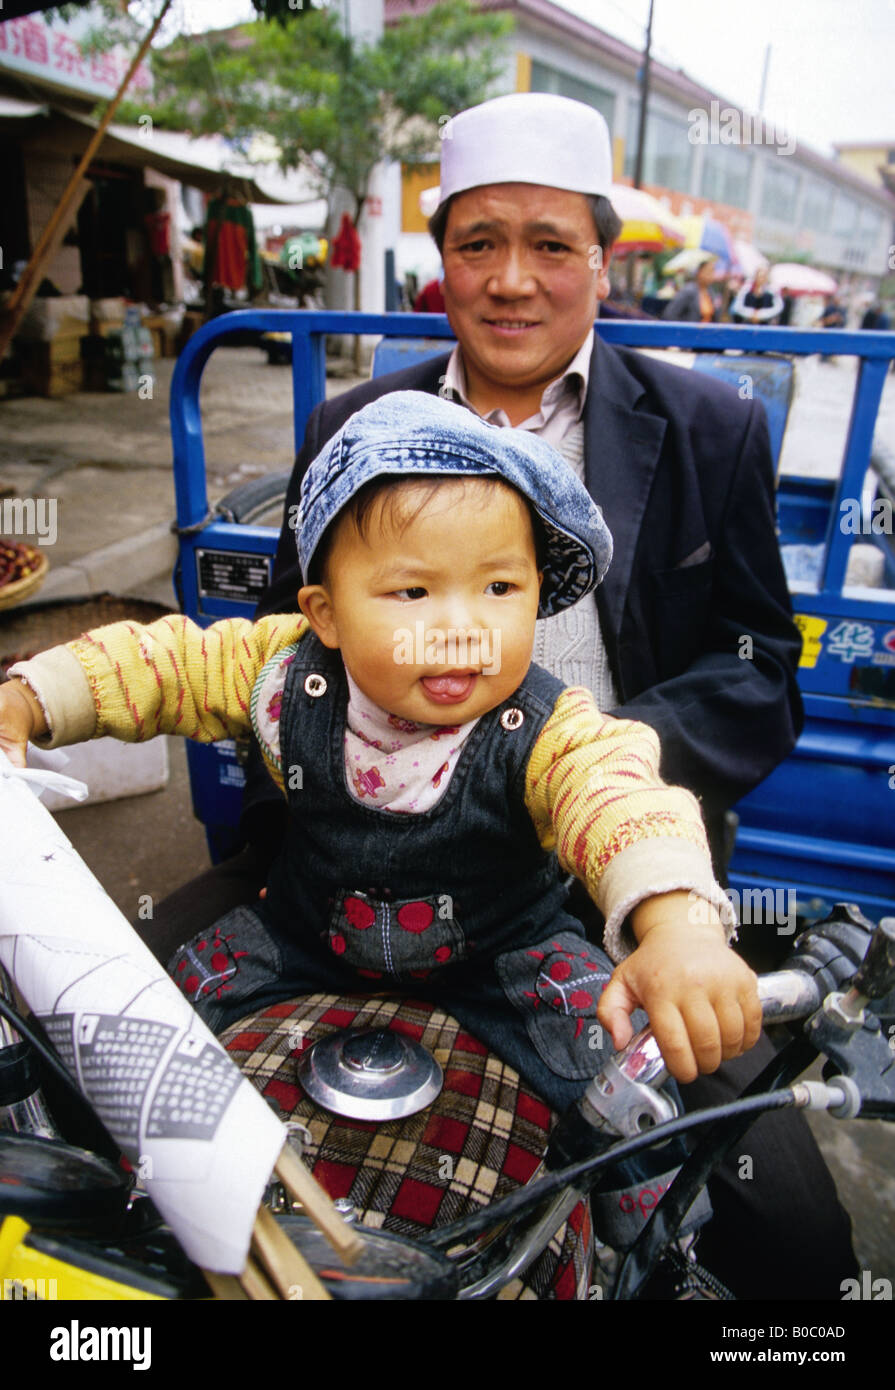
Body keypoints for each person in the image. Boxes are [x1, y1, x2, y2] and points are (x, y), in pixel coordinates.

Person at [118, 92, 854, 1298]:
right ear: (441, 263)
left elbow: (763, 667)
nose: (512, 280)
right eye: (478, 244)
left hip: (599, 879)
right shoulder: (356, 422)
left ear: (599, 264)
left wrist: (579, 764)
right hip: (347, 860)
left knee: (790, 1243)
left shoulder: (708, 425)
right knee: (98, 1032)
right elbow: (280, 644)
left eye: (550, 245)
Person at [2, 393, 758, 1117]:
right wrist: (28, 700)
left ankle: (649, 1233)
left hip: (505, 961)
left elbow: (623, 800)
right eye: (411, 592)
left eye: (498, 586)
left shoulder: (550, 728)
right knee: (139, 1038)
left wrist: (677, 929)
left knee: (623, 1089)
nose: (461, 627)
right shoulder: (277, 672)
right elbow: (159, 665)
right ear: (324, 615)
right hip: (304, 936)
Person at [661, 256, 719, 322]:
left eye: (713, 272)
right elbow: (669, 314)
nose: (712, 275)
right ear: (699, 272)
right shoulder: (688, 291)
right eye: (708, 272)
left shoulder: (711, 292)